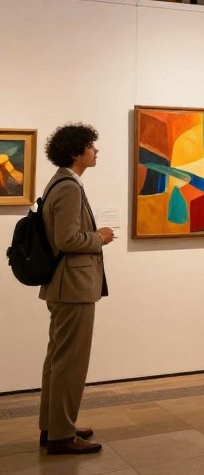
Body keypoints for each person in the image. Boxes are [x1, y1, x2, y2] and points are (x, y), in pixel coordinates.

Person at [39, 123, 114, 455]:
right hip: (73, 286)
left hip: (63, 284)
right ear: (76, 151)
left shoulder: (60, 181)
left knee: (57, 358)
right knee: (70, 362)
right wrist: (101, 238)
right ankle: (61, 436)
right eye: (91, 146)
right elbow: (67, 239)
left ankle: (54, 425)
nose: (95, 151)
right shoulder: (69, 186)